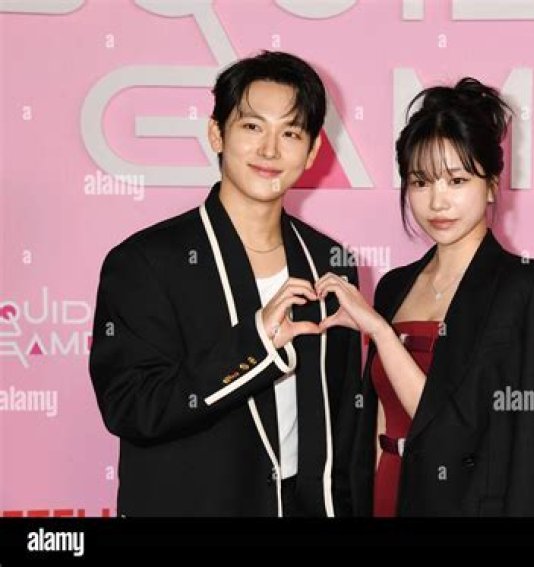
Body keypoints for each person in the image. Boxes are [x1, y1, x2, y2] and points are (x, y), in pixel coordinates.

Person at [89, 51, 360, 517]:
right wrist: (255, 343)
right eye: (252, 127)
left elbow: (341, 420)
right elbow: (131, 407)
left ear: (313, 150)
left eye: (290, 133)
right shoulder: (144, 262)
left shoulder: (328, 263)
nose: (270, 150)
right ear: (217, 132)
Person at [316, 77, 534, 516]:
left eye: (457, 180)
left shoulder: (531, 289)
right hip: (386, 496)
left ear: (491, 184)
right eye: (421, 182)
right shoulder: (394, 287)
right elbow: (375, 420)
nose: (438, 202)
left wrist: (382, 333)